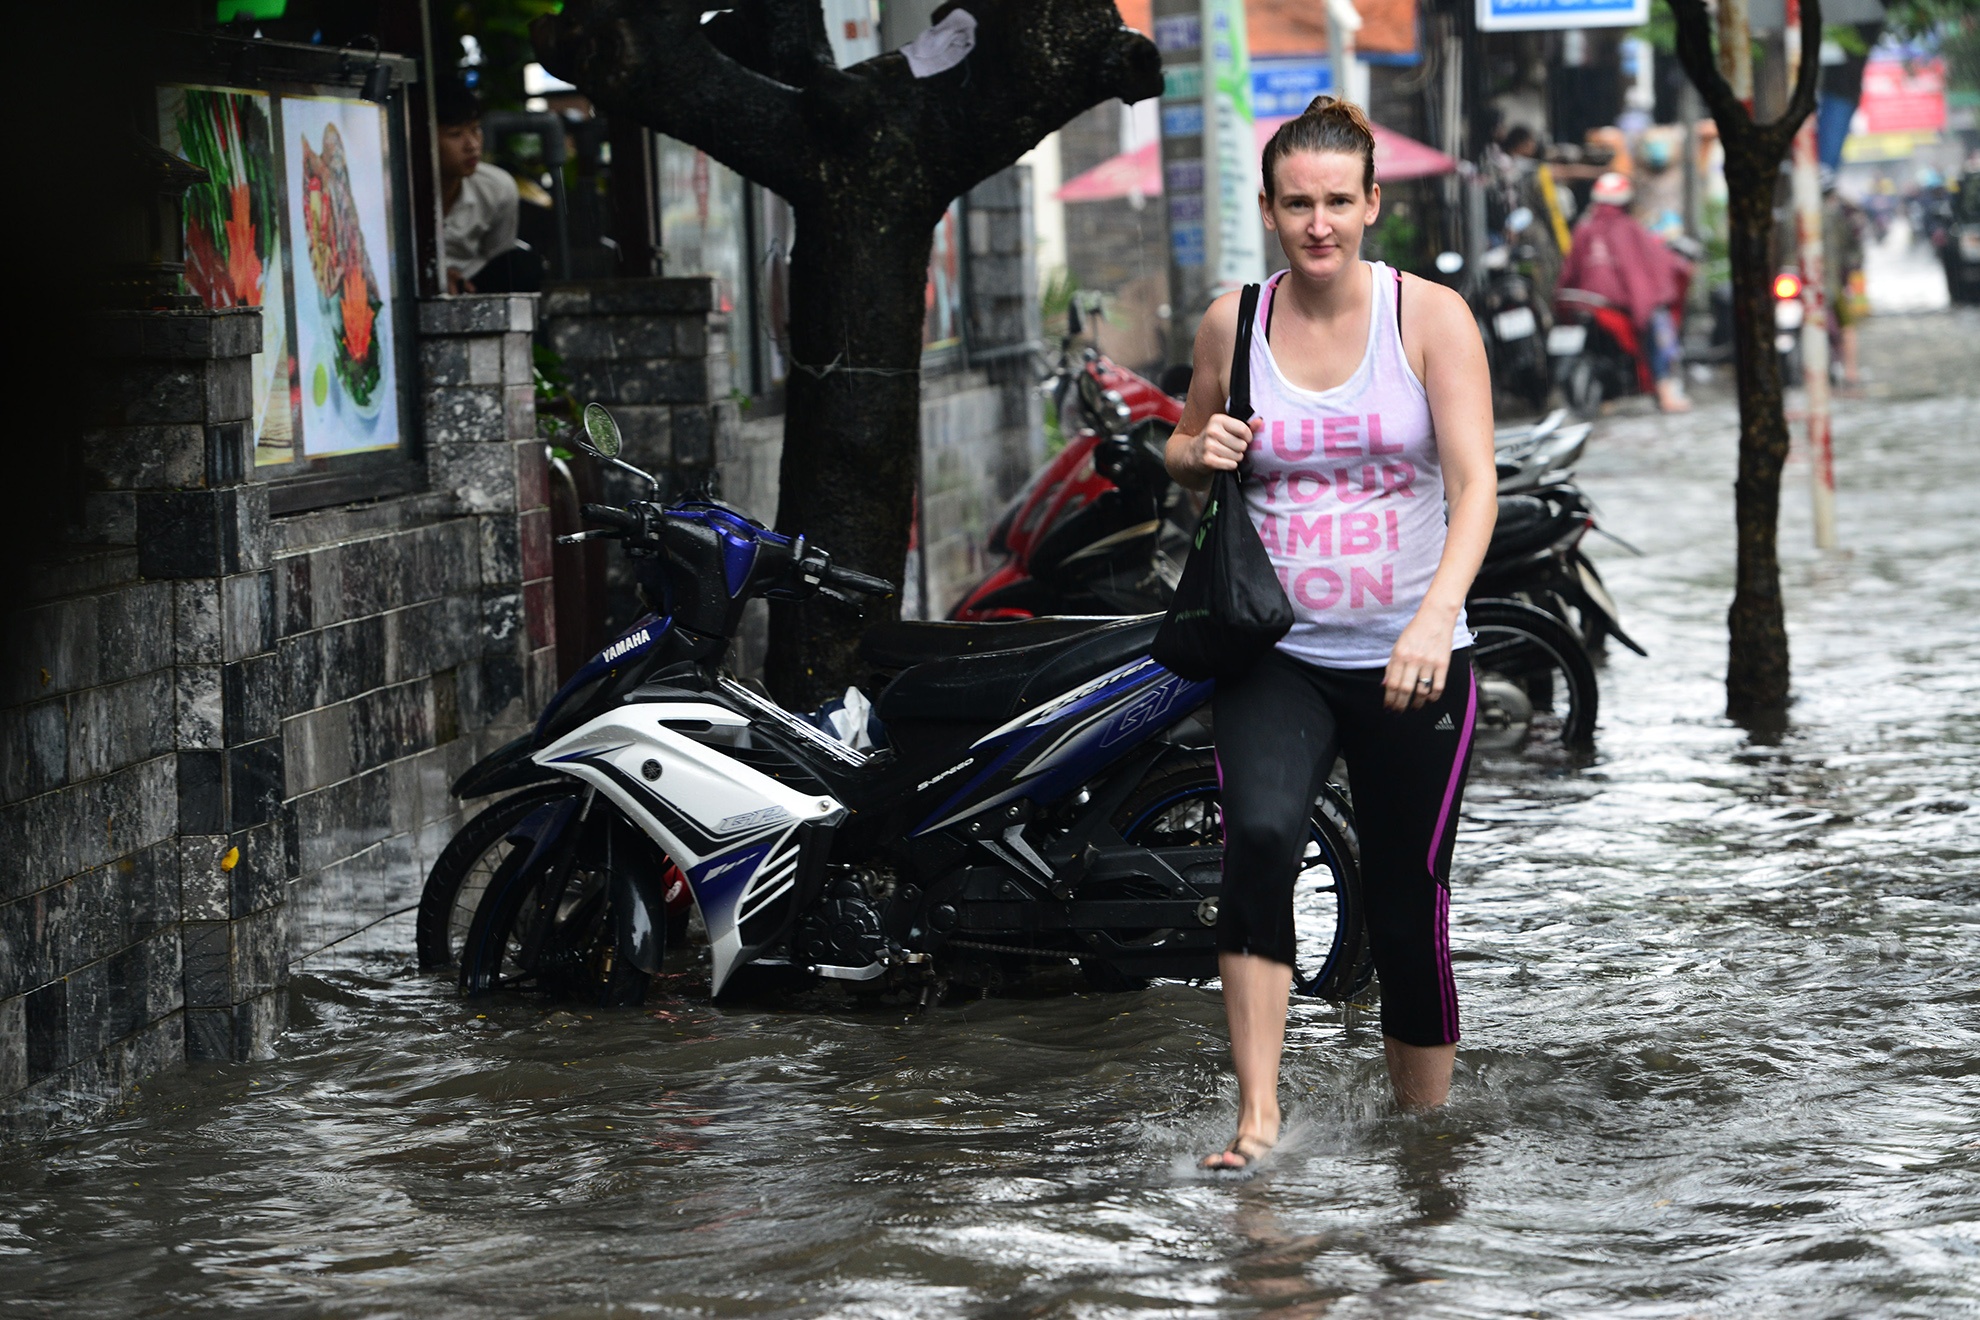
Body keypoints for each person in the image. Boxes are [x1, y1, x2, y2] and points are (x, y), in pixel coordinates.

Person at [1163, 96, 1498, 1172]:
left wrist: (1435, 619)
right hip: (1278, 654)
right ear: (1268, 209)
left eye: (1338, 203)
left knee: (1407, 899)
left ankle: (1424, 1144)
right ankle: (1257, 1119)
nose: (1319, 225)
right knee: (1259, 843)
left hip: (1414, 652)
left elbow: (1476, 482)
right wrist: (1198, 447)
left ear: (1371, 203)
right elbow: (1180, 439)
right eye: (1298, 204)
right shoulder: (1234, 322)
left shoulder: (1429, 318)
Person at [1558, 171, 1692, 413]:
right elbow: (1649, 269)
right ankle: (1665, 391)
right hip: (1614, 307)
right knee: (1658, 321)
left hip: (1584, 303)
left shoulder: (1584, 228)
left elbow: (1570, 270)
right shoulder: (1628, 229)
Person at [436, 81, 538, 294]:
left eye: (475, 130)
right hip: (411, 283)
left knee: (520, 265)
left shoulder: (497, 188)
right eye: (455, 134)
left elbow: (498, 255)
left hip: (470, 283)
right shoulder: (395, 192)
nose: (472, 144)